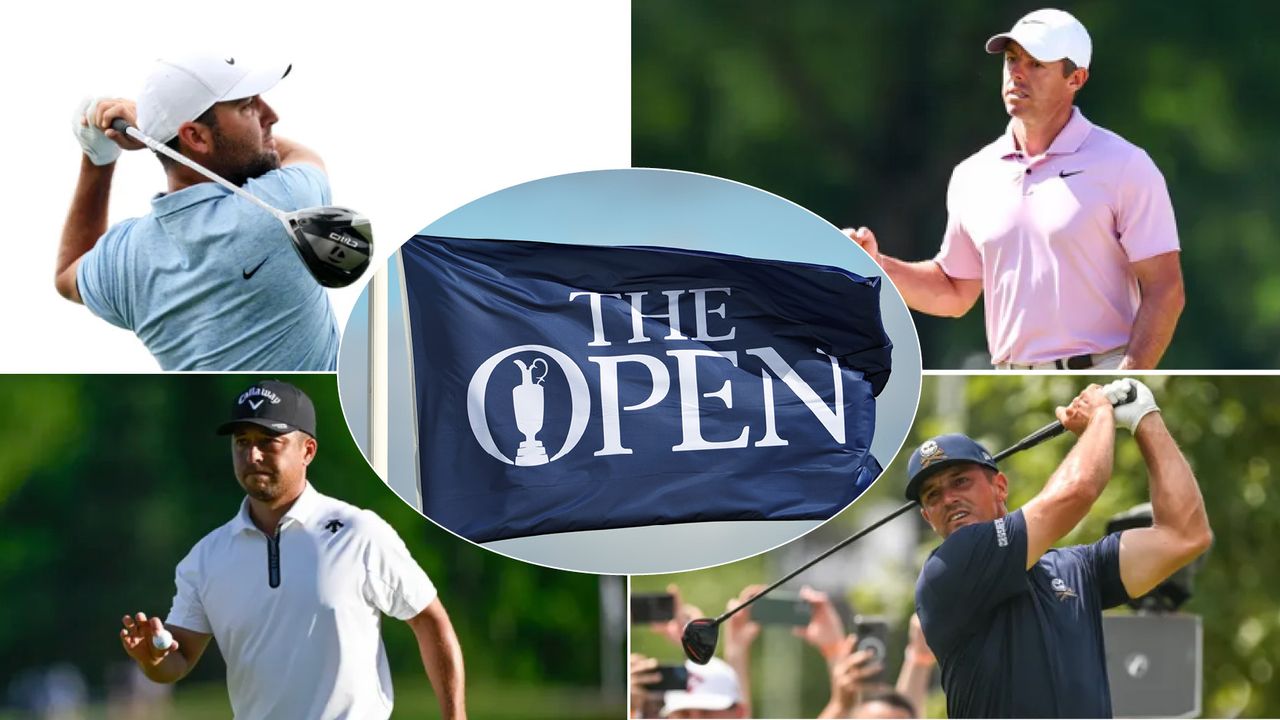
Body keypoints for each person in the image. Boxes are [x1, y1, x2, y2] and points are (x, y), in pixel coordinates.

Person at [848, 9, 1184, 370]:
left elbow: (1165, 289)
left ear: (1077, 78)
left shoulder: (1125, 165)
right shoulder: (973, 174)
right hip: (1010, 377)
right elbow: (954, 291)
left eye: (1036, 63)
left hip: (1100, 372)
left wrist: (1126, 379)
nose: (1017, 73)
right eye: (1011, 60)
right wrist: (877, 265)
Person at [118, 380, 466, 719]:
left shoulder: (359, 533)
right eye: (242, 442)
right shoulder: (205, 558)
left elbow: (428, 619)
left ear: (307, 451)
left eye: (269, 442)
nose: (252, 455)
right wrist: (152, 660)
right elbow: (177, 661)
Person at [908, 379, 1211, 717]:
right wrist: (1100, 418)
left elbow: (1185, 534)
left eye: (960, 481)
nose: (948, 499)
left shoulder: (1076, 567)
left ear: (1000, 487)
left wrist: (1145, 416)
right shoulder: (948, 570)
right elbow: (1078, 491)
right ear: (927, 517)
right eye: (933, 496)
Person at [58, 54, 341, 371]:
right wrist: (149, 132)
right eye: (247, 106)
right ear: (195, 136)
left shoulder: (126, 259)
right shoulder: (284, 204)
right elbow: (302, 155)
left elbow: (67, 272)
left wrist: (98, 158)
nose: (271, 115)